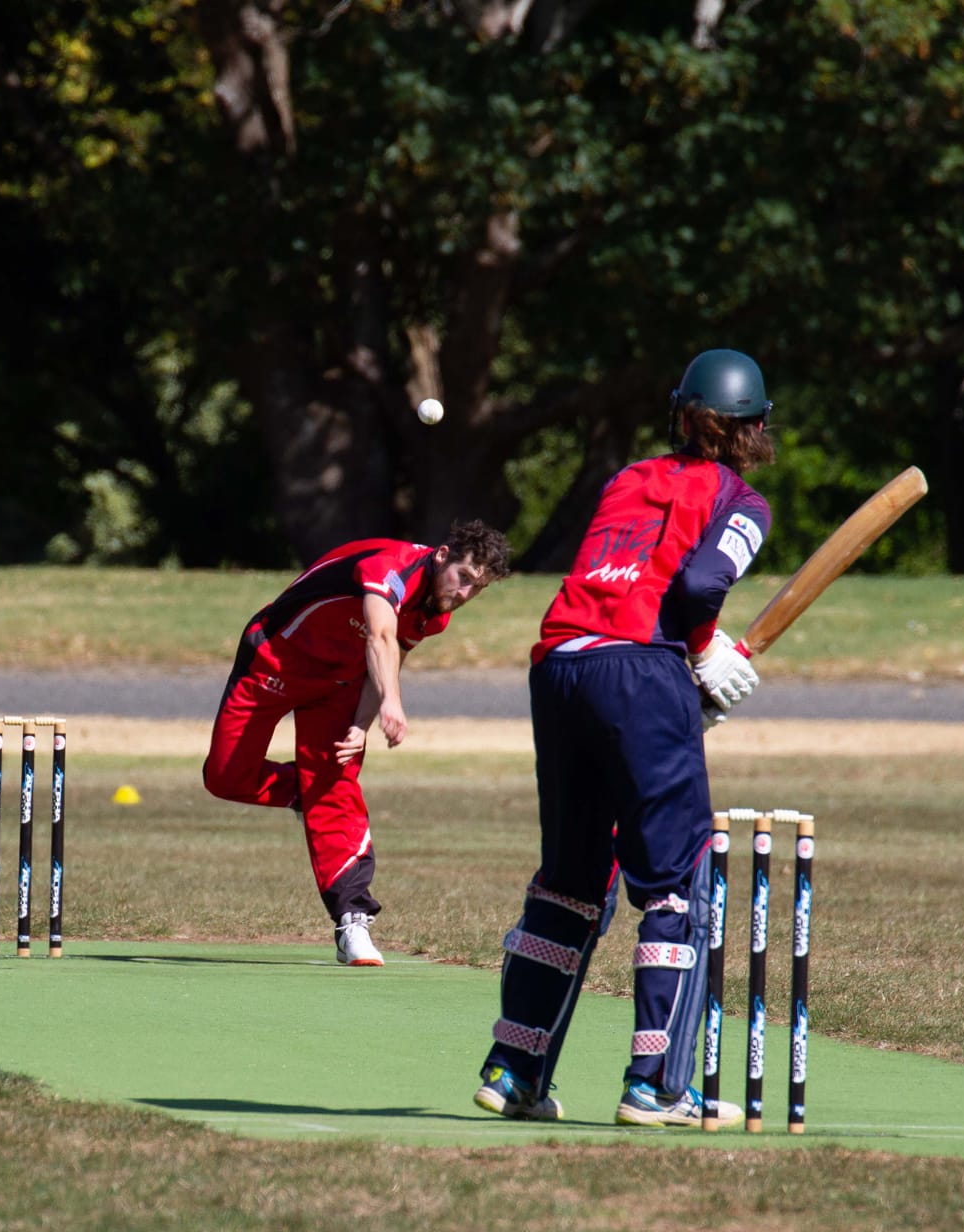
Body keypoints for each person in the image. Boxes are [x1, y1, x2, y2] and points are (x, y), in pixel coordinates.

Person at [473, 349, 773, 1125]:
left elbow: (628, 582)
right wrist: (700, 651)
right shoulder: (743, 502)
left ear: (679, 414)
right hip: (640, 672)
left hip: (562, 665)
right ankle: (655, 1086)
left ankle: (514, 1071)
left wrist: (682, 678)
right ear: (757, 428)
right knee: (675, 883)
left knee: (570, 881)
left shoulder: (624, 477)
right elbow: (699, 585)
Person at [203, 520, 512, 965]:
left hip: (339, 685)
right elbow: (381, 635)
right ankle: (305, 789)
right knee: (225, 777)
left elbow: (392, 655)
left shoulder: (434, 614)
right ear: (443, 554)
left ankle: (353, 921)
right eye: (463, 578)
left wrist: (362, 723)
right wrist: (392, 703)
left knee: (334, 784)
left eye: (477, 589)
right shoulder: (389, 568)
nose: (464, 594)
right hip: (275, 659)